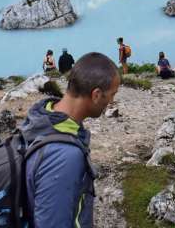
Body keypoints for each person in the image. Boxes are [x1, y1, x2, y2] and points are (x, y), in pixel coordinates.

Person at [23, 52, 120, 227]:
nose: (112, 101)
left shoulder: (41, 117)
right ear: (96, 95)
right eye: (112, 94)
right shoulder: (65, 156)